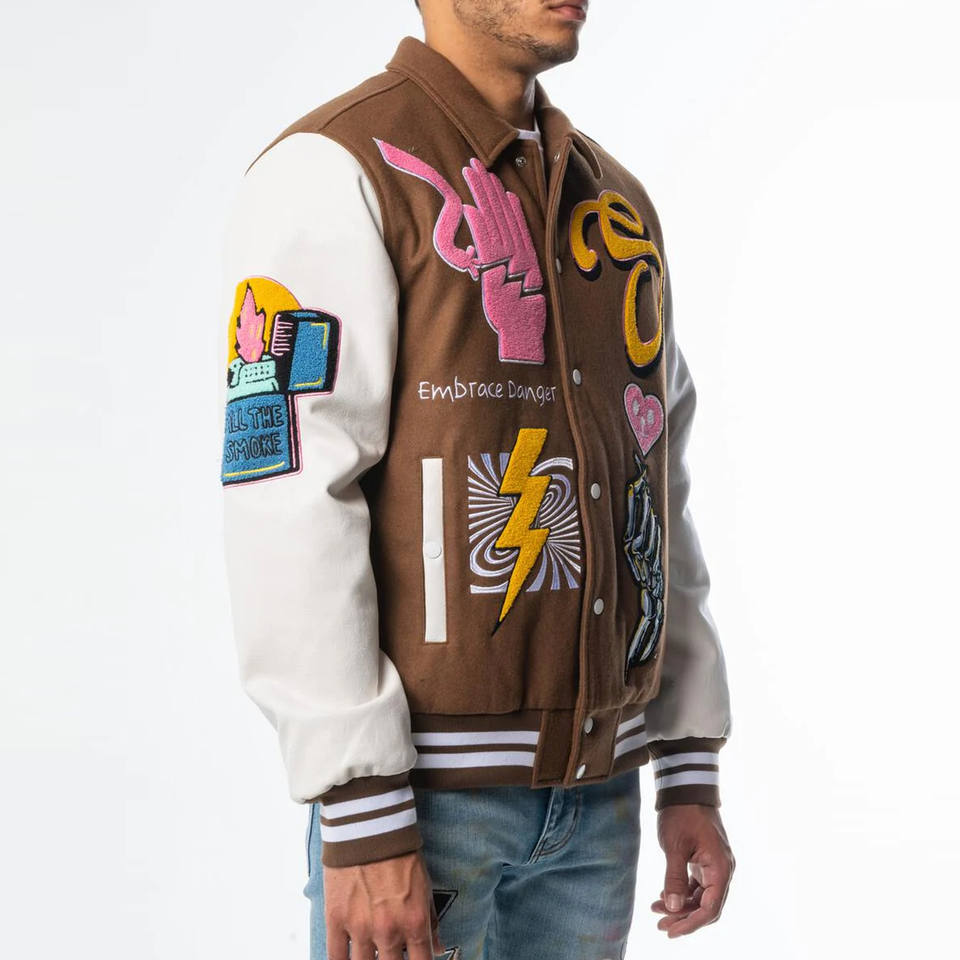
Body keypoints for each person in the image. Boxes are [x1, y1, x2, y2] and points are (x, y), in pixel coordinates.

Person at [219, 2, 734, 957]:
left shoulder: (615, 207)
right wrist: (360, 801)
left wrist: (686, 758)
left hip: (603, 799)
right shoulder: (332, 170)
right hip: (424, 809)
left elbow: (656, 479)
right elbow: (287, 494)